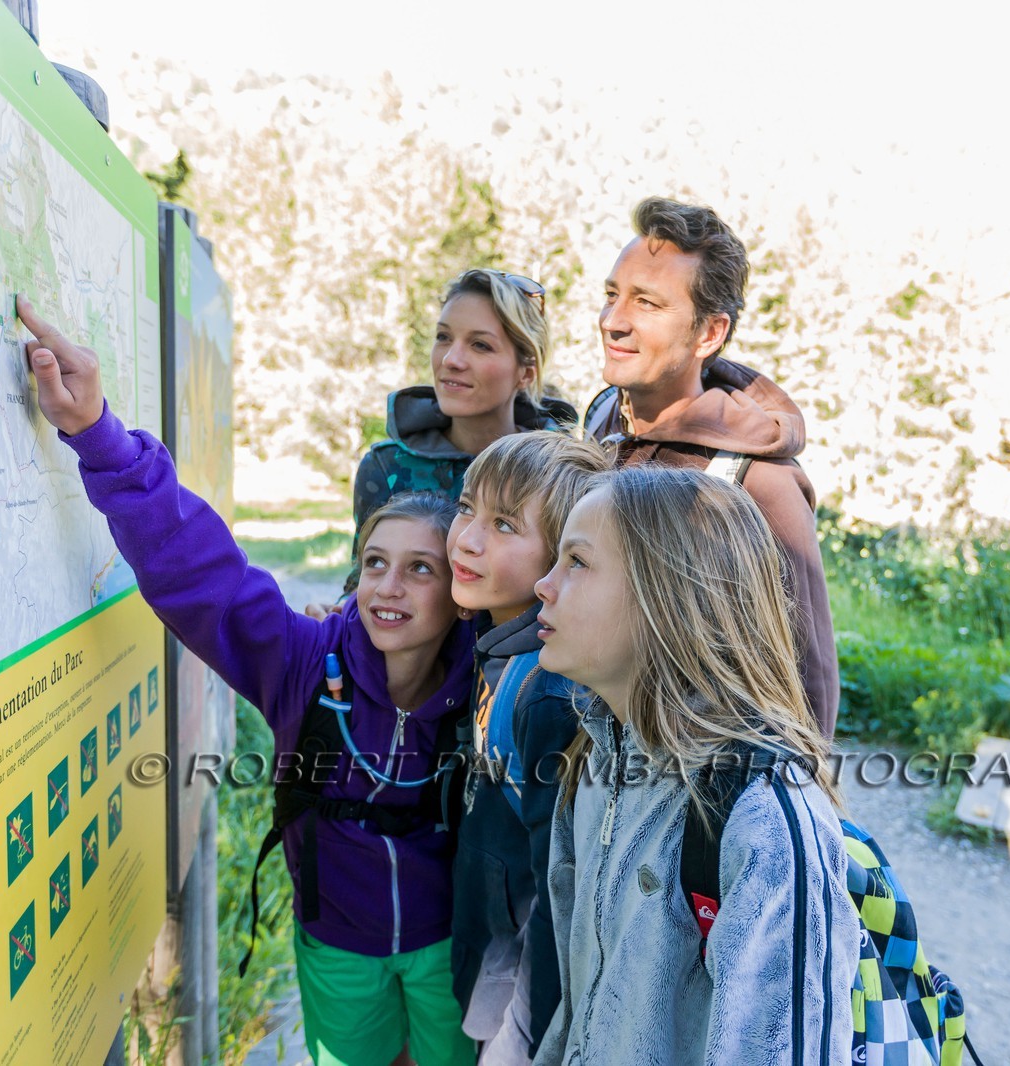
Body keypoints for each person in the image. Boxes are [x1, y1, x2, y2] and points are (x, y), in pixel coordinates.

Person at [17, 297, 476, 1065]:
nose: (387, 588)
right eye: (373, 564)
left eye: (419, 569)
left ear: (459, 588)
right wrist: (98, 436)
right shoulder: (303, 661)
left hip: (448, 942)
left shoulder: (488, 676)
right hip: (338, 943)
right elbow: (200, 571)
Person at [531, 465, 855, 1065]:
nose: (542, 586)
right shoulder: (596, 760)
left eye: (576, 561)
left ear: (669, 590)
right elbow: (581, 1006)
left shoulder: (762, 816)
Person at [583, 197, 840, 739]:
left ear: (709, 334)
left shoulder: (754, 477)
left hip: (687, 782)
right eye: (612, 295)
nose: (613, 321)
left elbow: (807, 682)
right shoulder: (600, 422)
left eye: (647, 304)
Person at [445, 432, 609, 1064]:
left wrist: (538, 1036)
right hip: (495, 962)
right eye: (466, 508)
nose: (466, 537)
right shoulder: (496, 647)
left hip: (528, 994)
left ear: (563, 557)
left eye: (505, 523)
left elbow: (555, 890)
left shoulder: (546, 691)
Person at [340, 268, 576, 596]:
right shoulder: (385, 468)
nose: (451, 359)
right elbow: (362, 584)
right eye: (443, 337)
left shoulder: (562, 474)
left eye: (480, 345)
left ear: (526, 372)